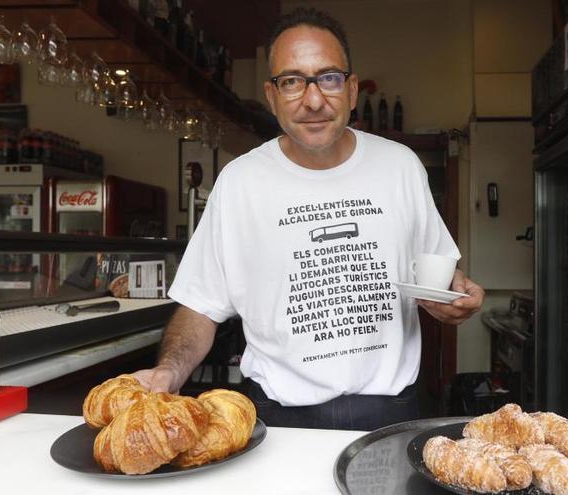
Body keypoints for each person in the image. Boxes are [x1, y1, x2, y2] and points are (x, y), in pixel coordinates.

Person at [134, 7, 484, 430]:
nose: (313, 100)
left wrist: (455, 295)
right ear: (272, 95)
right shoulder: (239, 182)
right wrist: (170, 371)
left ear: (352, 90)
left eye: (329, 78)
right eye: (293, 81)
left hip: (389, 414)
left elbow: (438, 275)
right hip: (279, 417)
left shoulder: (401, 167)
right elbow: (201, 307)